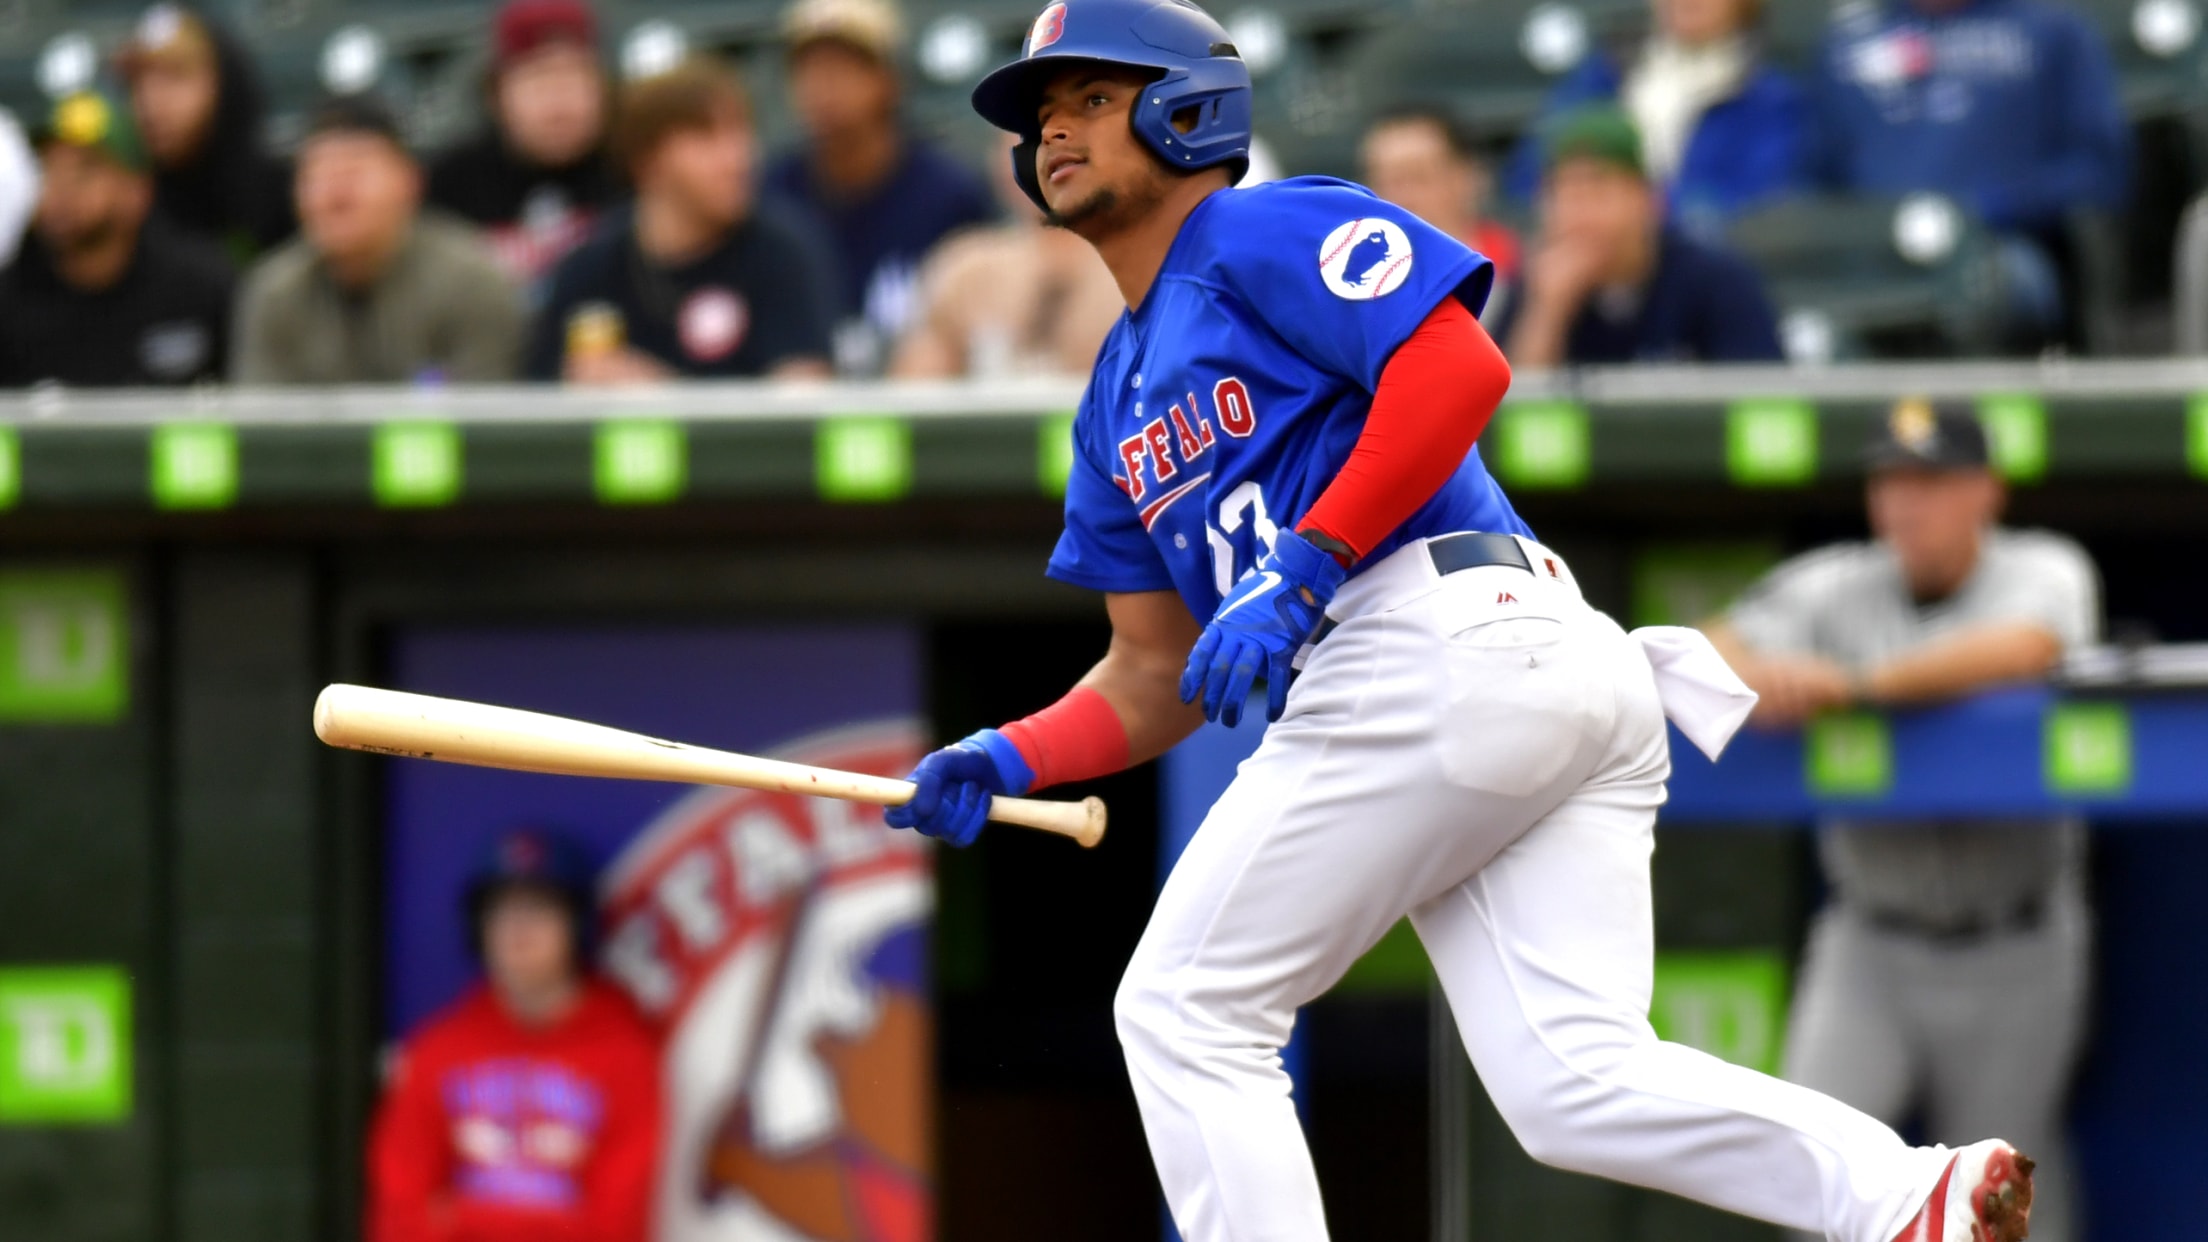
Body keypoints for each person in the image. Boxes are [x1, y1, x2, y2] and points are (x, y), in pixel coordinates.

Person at [885, 3, 2036, 1241]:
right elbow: (1153, 670)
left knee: (1184, 1008)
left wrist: (1307, 562)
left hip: (1429, 634)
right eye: (1042, 115)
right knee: (1572, 1084)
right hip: (1510, 666)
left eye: (1094, 99)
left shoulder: (1255, 228)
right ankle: (1911, 1194)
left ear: (1186, 111)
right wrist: (1010, 754)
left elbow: (1459, 368)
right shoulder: (1110, 398)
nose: (1056, 131)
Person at [1705, 399, 2098, 1242]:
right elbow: (1711, 646)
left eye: (1931, 481)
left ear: (1986, 490)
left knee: (2005, 1206)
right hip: (1870, 945)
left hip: (2015, 945)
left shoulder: (2043, 566)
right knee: (1809, 1180)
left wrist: (1854, 686)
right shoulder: (1836, 581)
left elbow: (2027, 646)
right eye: (1890, 482)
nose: (1906, 503)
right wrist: (1766, 676)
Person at [367, 829, 662, 1242]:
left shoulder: (625, 1054)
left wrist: (457, 1216)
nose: (518, 930)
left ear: (576, 924)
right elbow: (397, 1221)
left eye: (539, 909)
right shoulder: (437, 1049)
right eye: (501, 912)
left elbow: (615, 1228)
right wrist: (554, 1224)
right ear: (478, 927)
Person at [1808, 0, 2129, 346]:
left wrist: (1996, 205)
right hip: (1869, 258)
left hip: (1999, 246)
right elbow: (1810, 175)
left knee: (2004, 284)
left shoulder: (2051, 30)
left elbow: (2099, 170)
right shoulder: (1846, 43)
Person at [527, 58, 835, 384]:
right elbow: (534, 401)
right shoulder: (589, 271)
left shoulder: (782, 252)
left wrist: (660, 394)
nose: (737, 158)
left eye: (741, 133)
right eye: (707, 138)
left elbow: (803, 397)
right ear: (647, 160)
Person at [763, 0, 996, 374]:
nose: (823, 86)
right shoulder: (771, 193)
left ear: (889, 79)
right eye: (808, 68)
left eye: (843, 68)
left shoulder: (949, 196)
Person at [232, 95, 526, 385]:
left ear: (410, 180)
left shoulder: (470, 283)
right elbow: (263, 409)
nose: (335, 192)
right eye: (317, 173)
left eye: (355, 170)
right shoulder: (275, 293)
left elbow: (487, 408)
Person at [1494, 105, 1784, 366]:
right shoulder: (1535, 286)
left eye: (1597, 192)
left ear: (1648, 199)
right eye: (1563, 195)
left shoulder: (1713, 280)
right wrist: (1547, 313)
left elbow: (1765, 394)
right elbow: (1511, 401)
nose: (1579, 216)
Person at [1506, 0, 1806, 230]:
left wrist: (1640, 209)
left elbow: (1759, 205)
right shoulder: (1603, 74)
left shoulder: (1770, 101)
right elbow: (1531, 172)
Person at [0, 90, 232, 386]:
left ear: (138, 190)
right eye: (48, 168)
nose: (61, 188)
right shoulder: (8, 303)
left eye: (85, 169)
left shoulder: (202, 289)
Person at [890, 132, 1123, 378]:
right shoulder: (967, 271)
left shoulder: (1134, 271)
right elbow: (915, 388)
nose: (1041, 158)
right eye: (1023, 143)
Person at [427, 0, 622, 289]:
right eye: (538, 78)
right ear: (497, 92)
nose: (559, 101)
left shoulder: (637, 166)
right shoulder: (451, 182)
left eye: (575, 75)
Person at [118, 3, 294, 261]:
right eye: (138, 81)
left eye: (174, 75)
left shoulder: (283, 198)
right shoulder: (126, 208)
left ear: (225, 82)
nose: (150, 100)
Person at [1359, 105, 1521, 326]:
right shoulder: (1354, 293)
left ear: (1469, 178)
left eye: (1417, 178)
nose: (1398, 198)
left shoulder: (1522, 276)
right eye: (1383, 181)